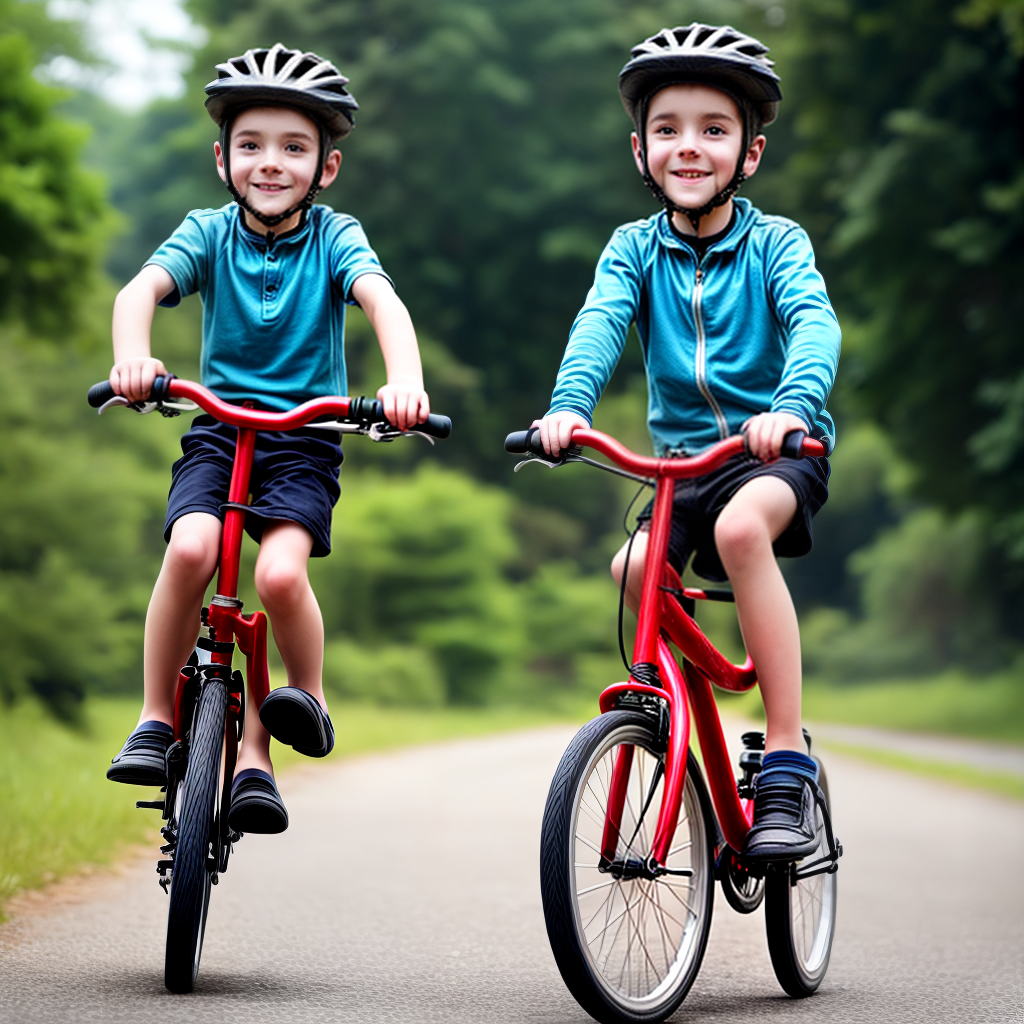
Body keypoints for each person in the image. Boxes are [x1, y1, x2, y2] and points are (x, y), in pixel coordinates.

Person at [105, 44, 430, 835]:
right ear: (223, 158)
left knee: (280, 578)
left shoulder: (335, 237)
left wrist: (403, 383)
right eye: (251, 146)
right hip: (219, 432)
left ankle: (296, 705)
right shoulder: (207, 233)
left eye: (293, 148)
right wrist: (133, 356)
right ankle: (155, 715)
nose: (270, 163)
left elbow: (379, 299)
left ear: (326, 167)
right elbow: (140, 289)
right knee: (190, 552)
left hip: (303, 442)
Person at [534, 24, 840, 860]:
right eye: (669, 129)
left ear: (750, 153)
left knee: (744, 533)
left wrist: (792, 405)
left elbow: (813, 323)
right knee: (631, 570)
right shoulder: (633, 249)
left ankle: (782, 756)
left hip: (778, 454)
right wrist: (568, 408)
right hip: (682, 469)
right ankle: (678, 710)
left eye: (713, 128)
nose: (689, 146)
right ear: (641, 150)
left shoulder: (777, 244)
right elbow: (598, 326)